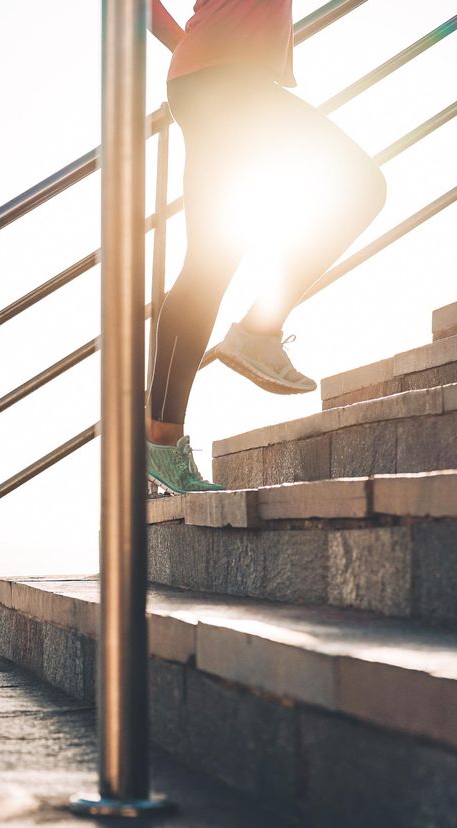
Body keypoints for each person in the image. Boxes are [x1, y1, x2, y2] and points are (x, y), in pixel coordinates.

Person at [145, 0, 386, 493]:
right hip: (233, 80)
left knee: (210, 262)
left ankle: (160, 444)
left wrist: (191, 49)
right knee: (361, 186)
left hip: (207, 78)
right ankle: (260, 328)